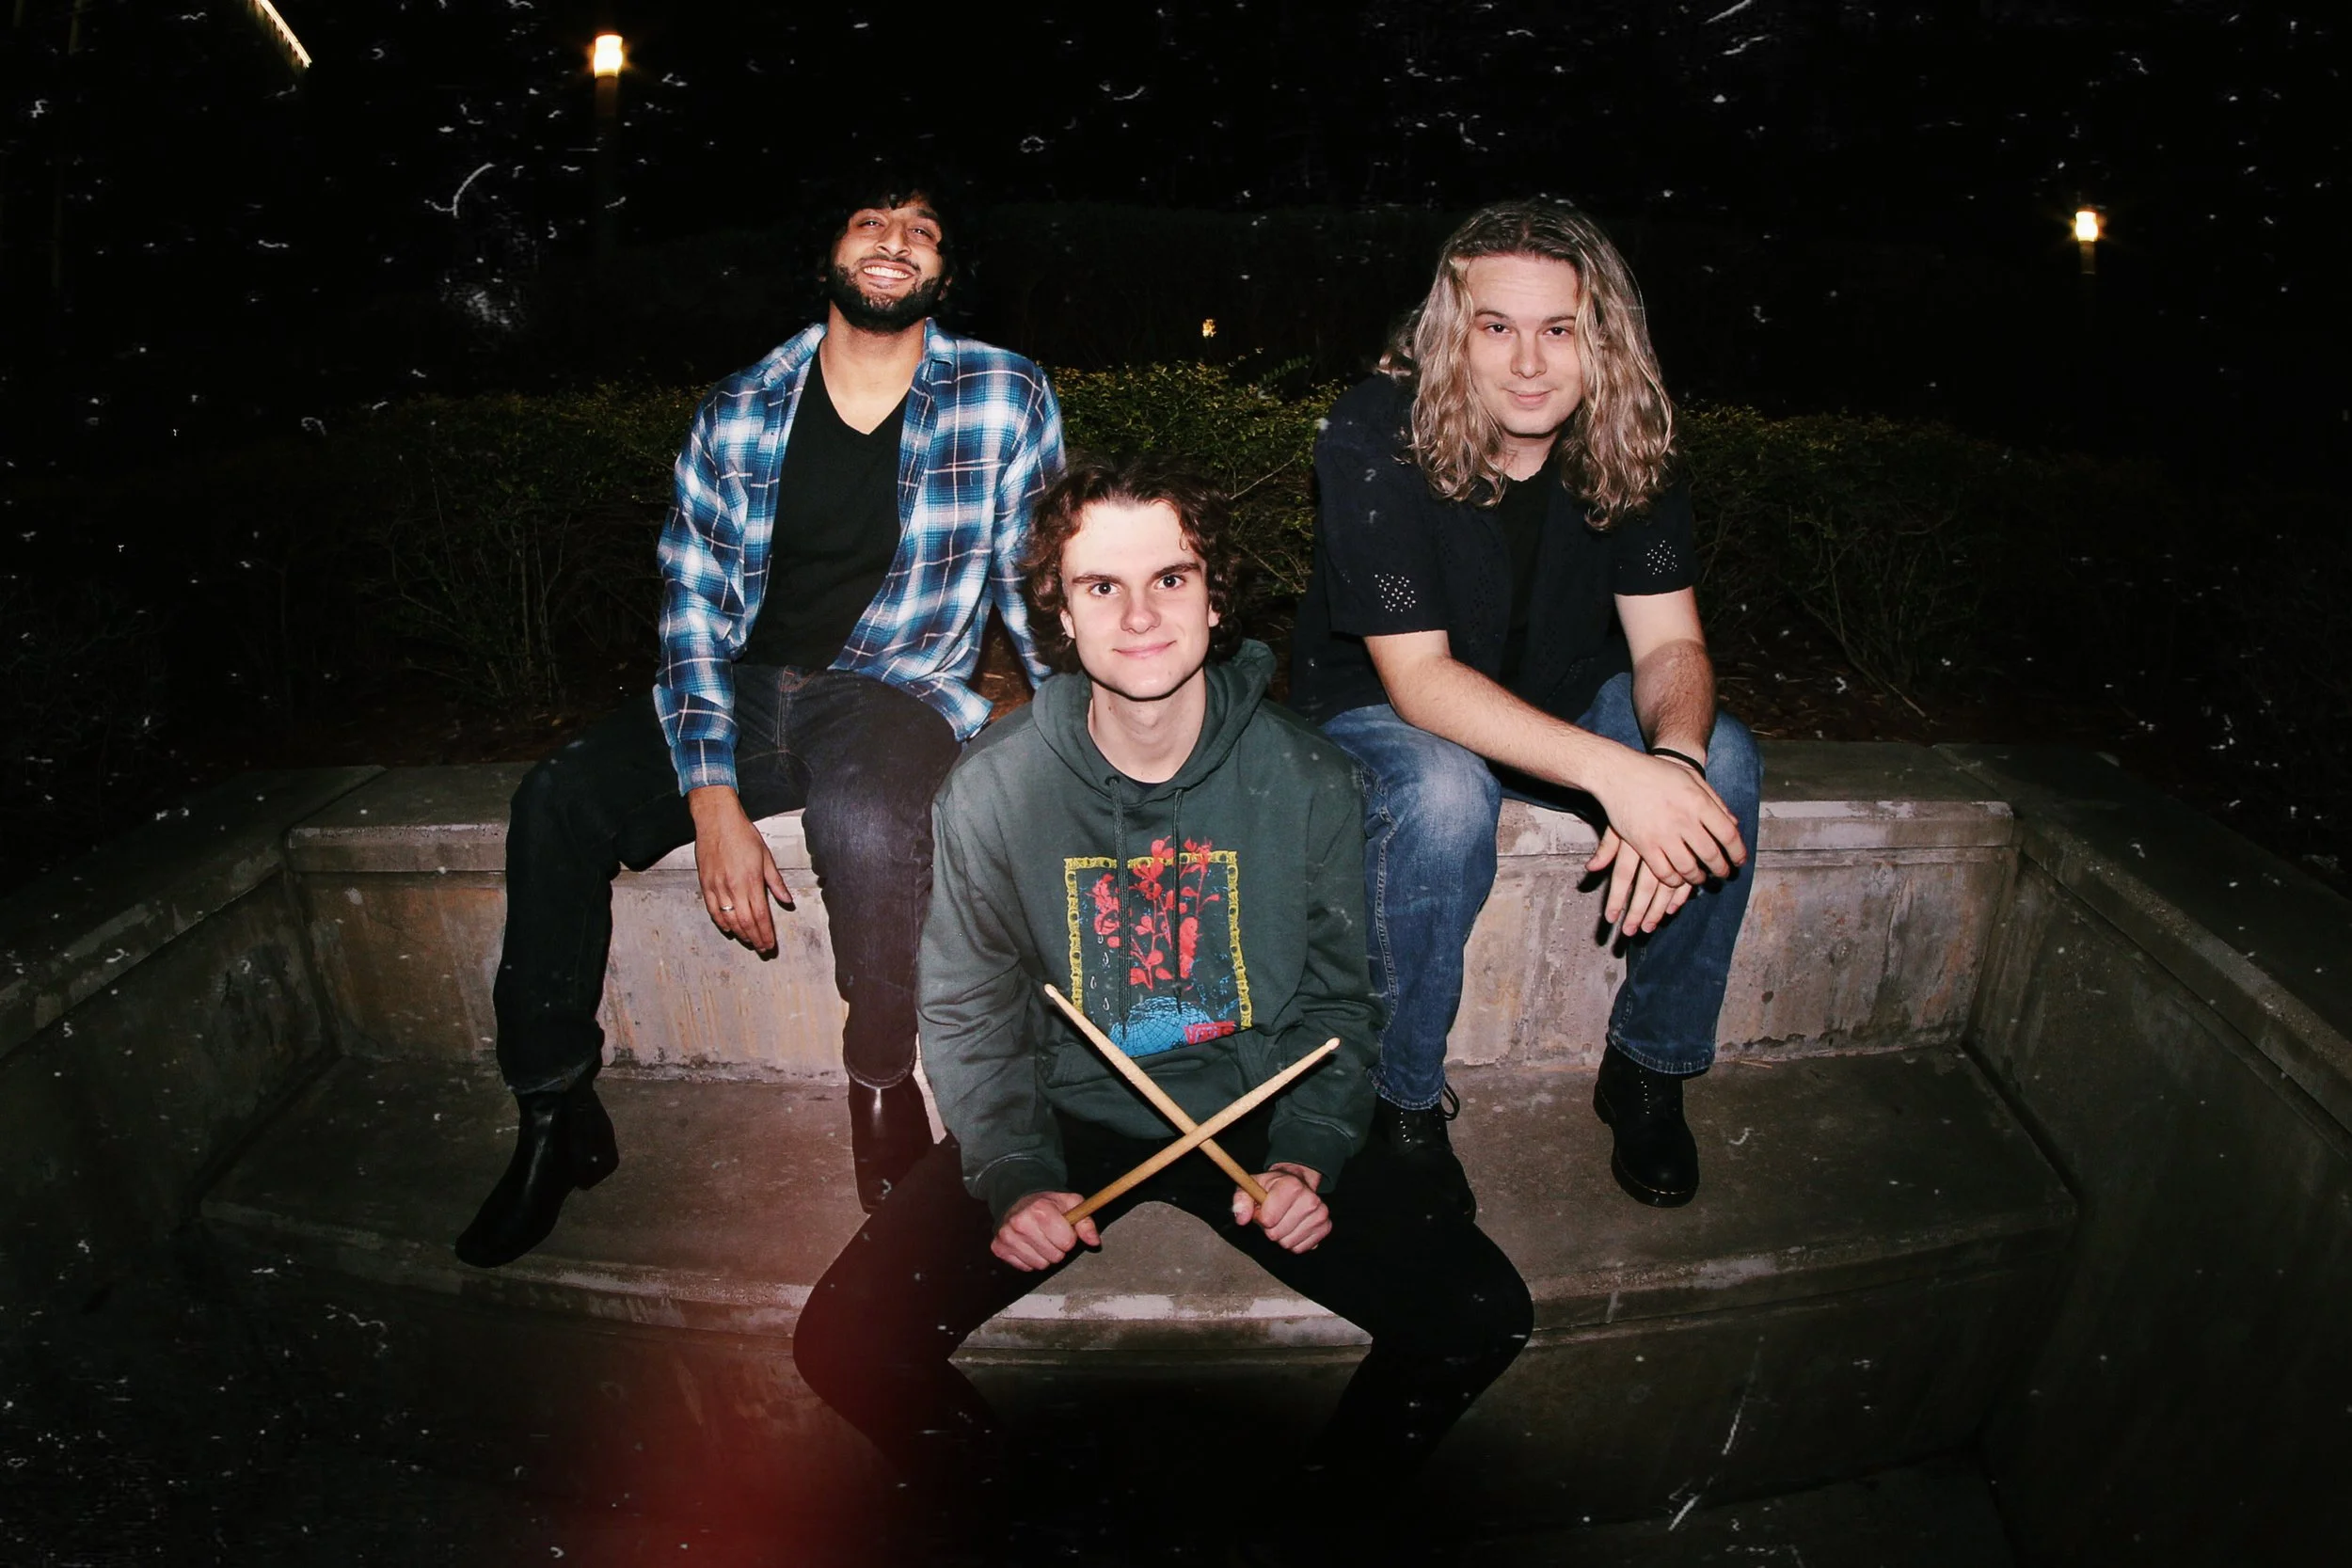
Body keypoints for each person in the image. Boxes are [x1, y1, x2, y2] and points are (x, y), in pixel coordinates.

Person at [792, 454, 1531, 1547]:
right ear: (1058, 613)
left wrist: (1310, 1151)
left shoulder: (1309, 775)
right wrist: (1015, 1173)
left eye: (1171, 578)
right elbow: (968, 1010)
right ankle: (1047, 1531)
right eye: (1100, 586)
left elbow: (1338, 998)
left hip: (1250, 1105)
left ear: (1215, 595)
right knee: (843, 1341)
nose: (1139, 614)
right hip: (1071, 1109)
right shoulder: (993, 787)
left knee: (1481, 1315)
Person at [454, 179, 1064, 1268]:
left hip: (891, 689)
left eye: (922, 232)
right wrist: (710, 789)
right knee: (555, 801)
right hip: (738, 686)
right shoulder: (740, 407)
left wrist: (1077, 727)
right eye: (869, 222)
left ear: (944, 272)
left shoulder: (1004, 392)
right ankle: (555, 1111)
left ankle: (880, 1084)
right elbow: (689, 609)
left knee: (876, 826)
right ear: (828, 250)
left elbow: (1030, 582)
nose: (894, 244)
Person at [1288, 198, 1762, 1212]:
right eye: (1494, 327)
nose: (1529, 362)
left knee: (1720, 763)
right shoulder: (1376, 428)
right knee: (1445, 795)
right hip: (1382, 699)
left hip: (1555, 682)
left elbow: (1671, 643)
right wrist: (1613, 774)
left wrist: (1668, 764)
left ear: (1604, 340)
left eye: (1560, 329)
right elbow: (1418, 679)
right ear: (1448, 336)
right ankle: (1397, 1097)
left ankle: (1649, 1062)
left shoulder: (1630, 438)